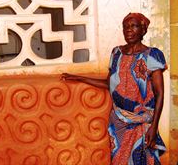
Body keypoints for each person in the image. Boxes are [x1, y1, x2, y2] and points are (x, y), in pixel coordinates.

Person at [61, 12, 166, 164]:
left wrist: (154, 127)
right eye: (125, 27)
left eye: (134, 26)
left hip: (142, 123)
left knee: (142, 159)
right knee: (118, 159)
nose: (129, 30)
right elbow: (109, 84)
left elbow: (159, 94)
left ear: (143, 30)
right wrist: (79, 78)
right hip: (118, 121)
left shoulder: (152, 55)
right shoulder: (116, 53)